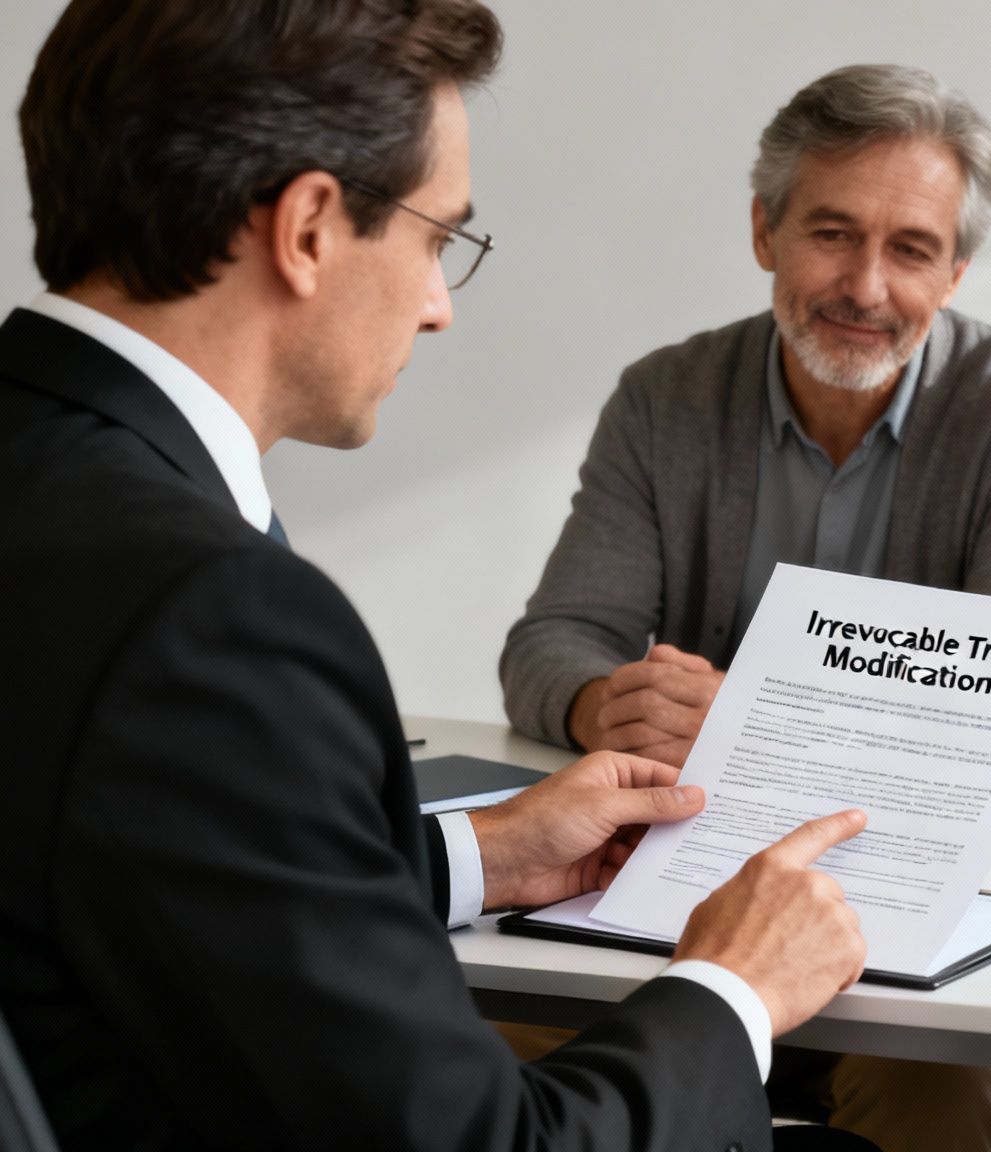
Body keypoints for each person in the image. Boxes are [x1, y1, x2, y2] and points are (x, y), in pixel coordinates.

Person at [0, 3, 878, 1149]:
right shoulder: (214, 615)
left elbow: (158, 878)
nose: (438, 305)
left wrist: (479, 853)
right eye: (434, 237)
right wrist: (734, 986)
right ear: (309, 227)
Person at [499, 63, 991, 1152]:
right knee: (477, 1032)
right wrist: (605, 706)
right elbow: (552, 641)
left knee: (942, 1088)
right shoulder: (664, 396)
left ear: (956, 270)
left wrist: (757, 724)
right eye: (831, 233)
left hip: (905, 908)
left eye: (911, 248)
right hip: (671, 894)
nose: (865, 286)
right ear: (763, 230)